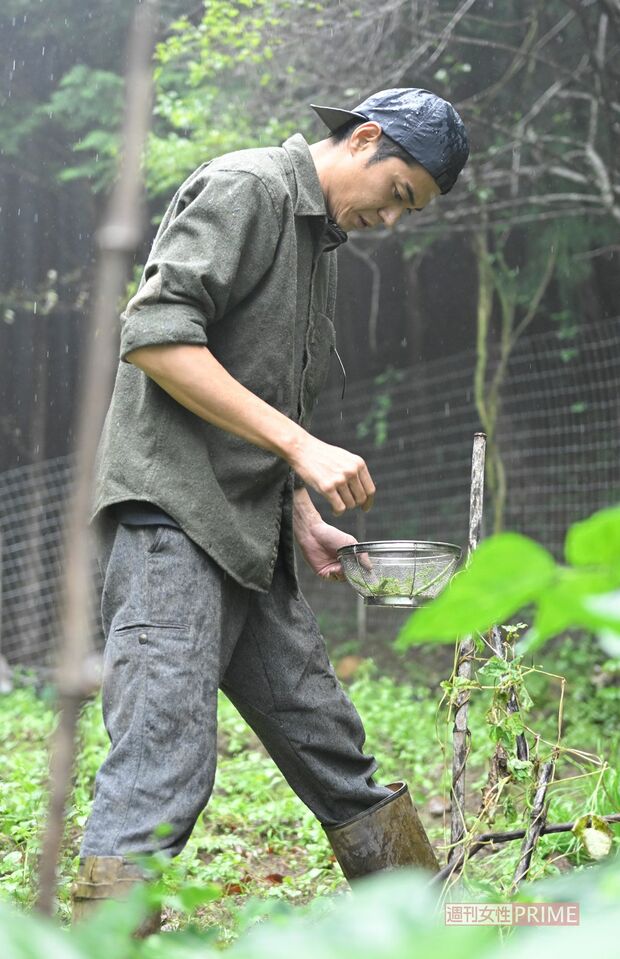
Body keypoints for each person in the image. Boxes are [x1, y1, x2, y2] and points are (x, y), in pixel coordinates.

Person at [72, 88, 469, 927]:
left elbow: (246, 395)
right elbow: (156, 336)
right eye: (399, 194)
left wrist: (299, 509)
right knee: (163, 763)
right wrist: (302, 446)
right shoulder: (246, 188)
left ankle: (441, 931)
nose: (394, 221)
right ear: (366, 139)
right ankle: (98, 944)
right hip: (172, 522)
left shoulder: (316, 243)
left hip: (250, 534)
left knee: (333, 750)